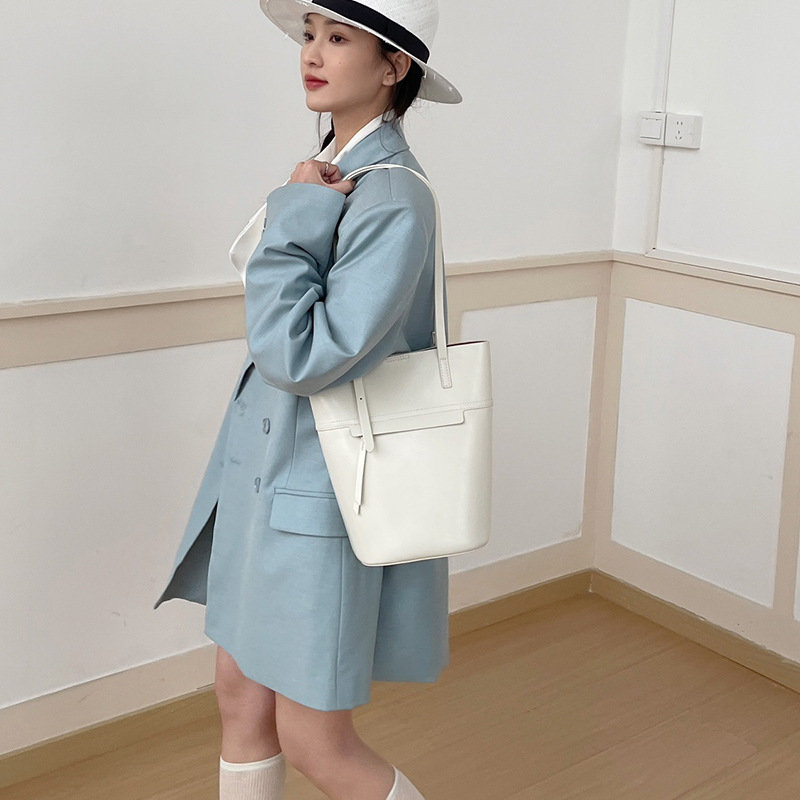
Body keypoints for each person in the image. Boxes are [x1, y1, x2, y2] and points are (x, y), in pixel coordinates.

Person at [156, 2, 461, 799]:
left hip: (320, 500)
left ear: (394, 66)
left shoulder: (391, 197)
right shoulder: (332, 172)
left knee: (316, 741)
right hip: (267, 484)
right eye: (310, 35)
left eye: (339, 38)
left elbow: (302, 356)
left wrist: (296, 211)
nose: (312, 54)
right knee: (239, 696)